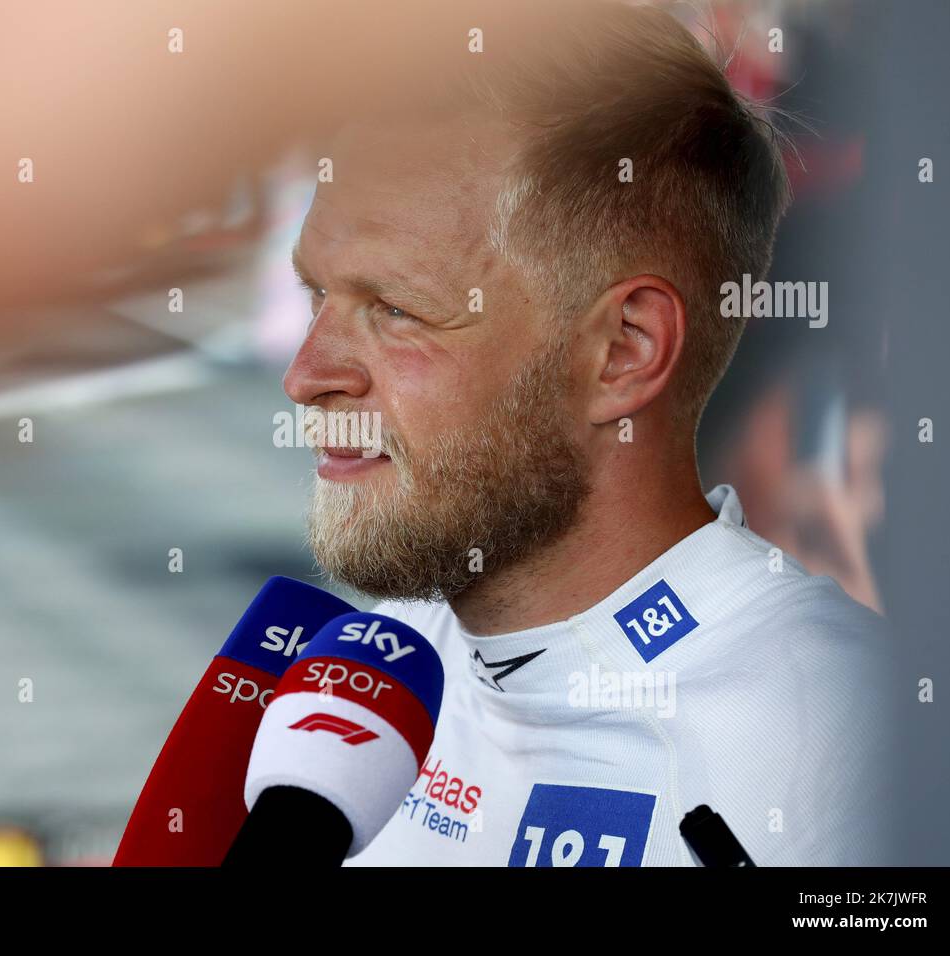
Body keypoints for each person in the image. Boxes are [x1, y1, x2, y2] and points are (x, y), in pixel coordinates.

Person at [282, 0, 890, 866]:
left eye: (396, 310)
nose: (306, 373)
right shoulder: (359, 679)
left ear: (623, 354)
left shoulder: (851, 745)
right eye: (317, 296)